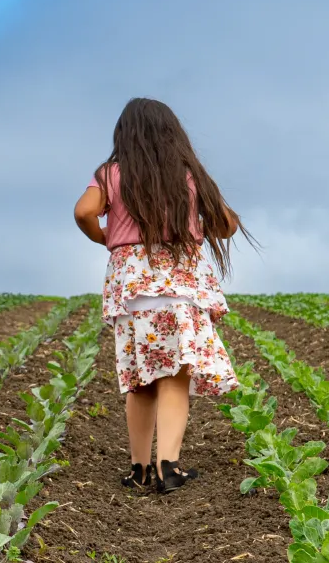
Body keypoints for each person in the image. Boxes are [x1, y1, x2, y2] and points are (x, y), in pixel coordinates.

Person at [73, 97, 250, 494]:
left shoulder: (110, 174)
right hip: (179, 288)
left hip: (133, 290)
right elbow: (226, 225)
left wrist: (106, 238)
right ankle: (168, 466)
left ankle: (138, 470)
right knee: (174, 376)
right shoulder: (187, 175)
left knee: (139, 380)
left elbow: (84, 211)